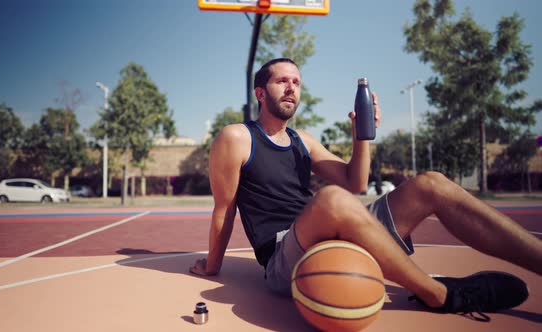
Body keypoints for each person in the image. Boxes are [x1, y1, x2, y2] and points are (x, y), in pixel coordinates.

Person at [190, 58, 541, 321]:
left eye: (297, 82)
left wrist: (362, 135)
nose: (292, 88)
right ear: (260, 93)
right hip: (285, 257)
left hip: (333, 230)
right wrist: (212, 267)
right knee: (331, 199)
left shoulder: (303, 141)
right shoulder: (236, 137)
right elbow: (225, 208)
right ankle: (439, 293)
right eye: (282, 81)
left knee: (431, 183)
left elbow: (354, 182)